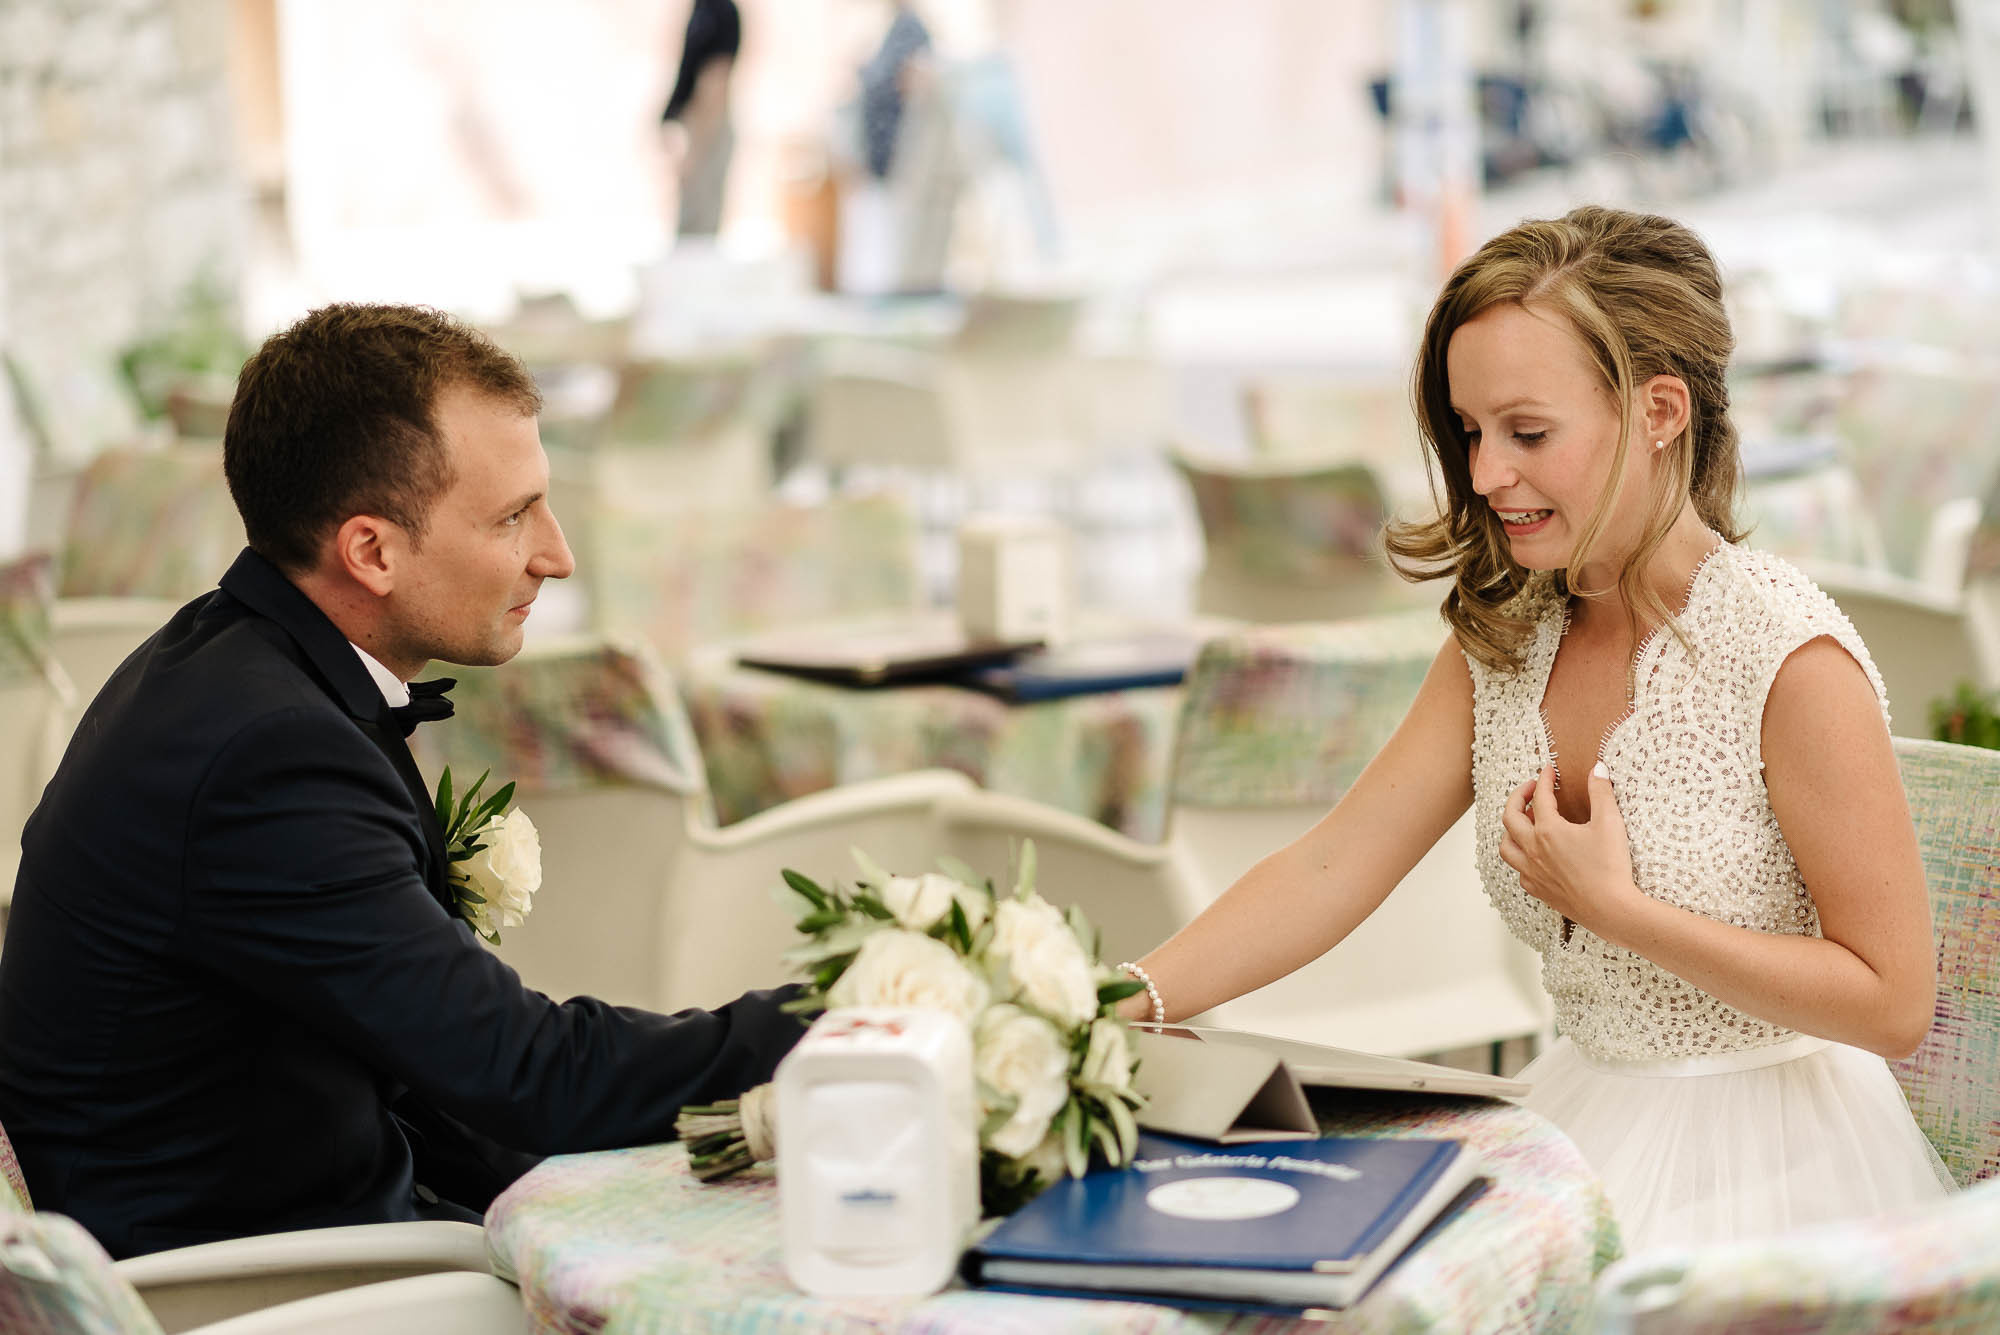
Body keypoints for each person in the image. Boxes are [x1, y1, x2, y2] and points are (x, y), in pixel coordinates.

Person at [1117, 206, 1954, 1252]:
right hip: (1580, 1124)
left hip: (1775, 1174)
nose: (1481, 476)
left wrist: (1617, 907)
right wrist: (1122, 1000)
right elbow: (1332, 865)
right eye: (1468, 432)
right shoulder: (1504, 634)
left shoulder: (1787, 657)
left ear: (1657, 409)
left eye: (1526, 432)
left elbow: (1892, 1003)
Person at [0, 304, 806, 1258]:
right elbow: (520, 1068)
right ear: (371, 551)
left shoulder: (237, 660)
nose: (557, 554)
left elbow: (442, 1069)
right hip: (254, 1289)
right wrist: (829, 1024)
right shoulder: (268, 751)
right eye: (514, 517)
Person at [661, 0, 741, 239]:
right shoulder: (700, 9)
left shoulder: (721, 11)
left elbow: (716, 78)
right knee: (689, 212)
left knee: (701, 216)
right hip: (692, 120)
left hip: (706, 121)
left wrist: (699, 141)